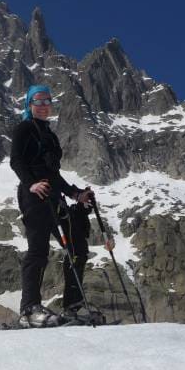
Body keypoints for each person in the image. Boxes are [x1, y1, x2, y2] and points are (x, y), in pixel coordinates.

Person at [10, 84, 115, 328]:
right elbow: (16, 160)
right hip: (34, 196)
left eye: (48, 101)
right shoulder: (24, 128)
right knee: (38, 251)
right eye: (38, 101)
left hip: (54, 196)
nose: (44, 105)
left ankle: (73, 306)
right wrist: (31, 184)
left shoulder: (50, 134)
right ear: (29, 104)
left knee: (77, 247)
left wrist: (76, 194)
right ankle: (29, 310)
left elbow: (54, 174)